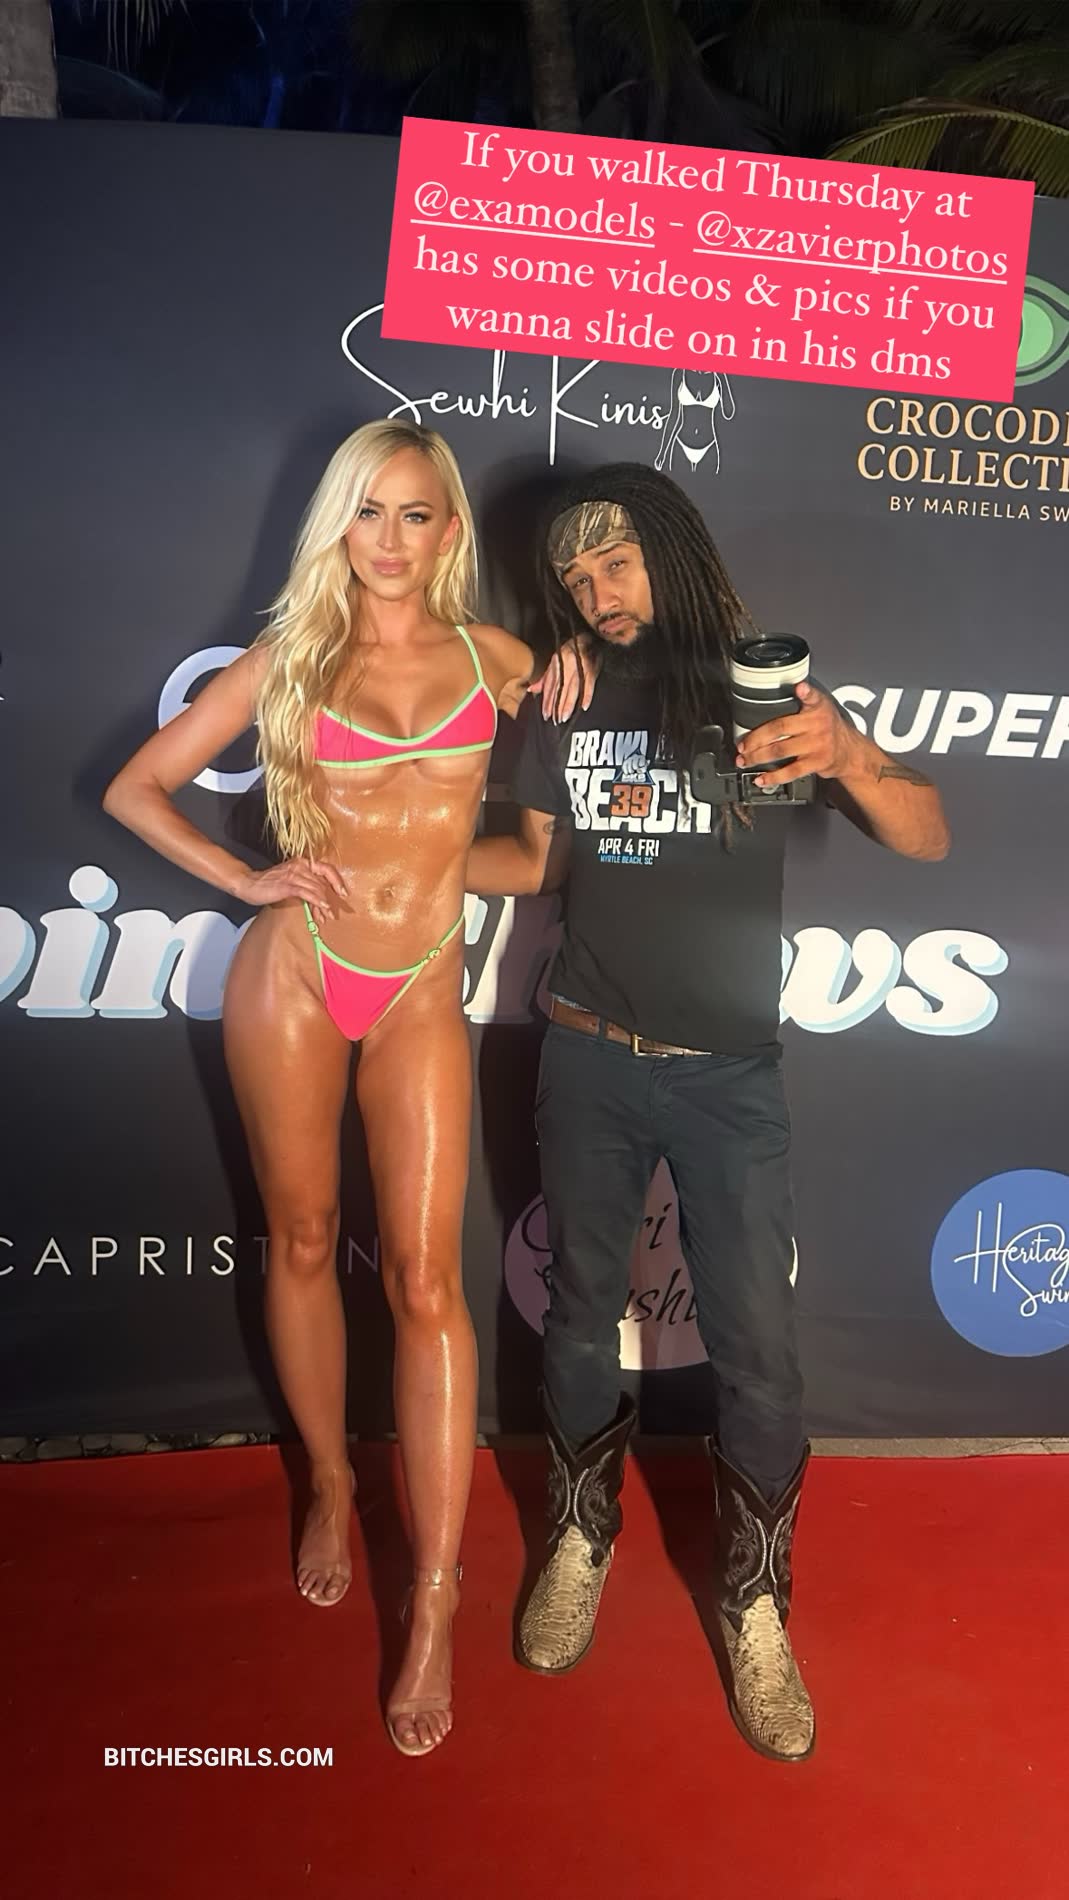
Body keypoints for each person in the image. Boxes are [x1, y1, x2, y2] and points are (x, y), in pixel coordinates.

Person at [102, 419, 581, 1758]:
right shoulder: (290, 658)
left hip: (422, 978)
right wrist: (247, 878)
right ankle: (325, 1478)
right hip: (296, 974)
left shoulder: (502, 661)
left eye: (416, 514)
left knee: (427, 1280)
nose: (389, 538)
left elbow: (541, 848)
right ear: (338, 523)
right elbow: (140, 789)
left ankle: (434, 1592)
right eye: (367, 511)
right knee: (304, 1238)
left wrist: (449, 866)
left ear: (448, 531)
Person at [467, 461, 949, 1763]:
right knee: (579, 1314)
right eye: (575, 576)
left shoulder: (765, 691)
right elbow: (528, 858)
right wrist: (394, 844)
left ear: (671, 550)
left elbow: (926, 834)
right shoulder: (566, 692)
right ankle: (579, 1536)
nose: (597, 590)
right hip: (587, 1054)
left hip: (729, 1074)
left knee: (758, 1353)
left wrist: (847, 752)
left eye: (615, 560)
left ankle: (754, 1604)